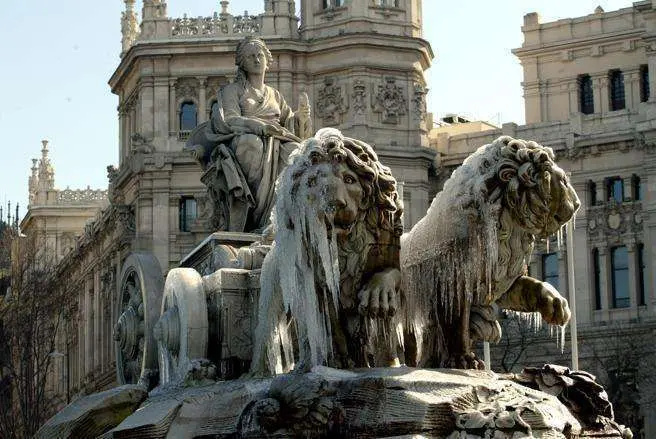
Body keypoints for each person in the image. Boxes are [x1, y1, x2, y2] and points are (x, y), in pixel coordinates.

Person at [186, 36, 310, 232]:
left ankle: (279, 213)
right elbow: (230, 119)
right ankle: (254, 214)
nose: (257, 60)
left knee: (295, 152)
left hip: (276, 141)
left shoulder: (274, 94)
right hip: (245, 139)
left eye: (260, 55)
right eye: (251, 56)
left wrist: (301, 117)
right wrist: (259, 126)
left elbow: (288, 123)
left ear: (267, 60)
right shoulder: (232, 91)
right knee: (251, 145)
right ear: (242, 62)